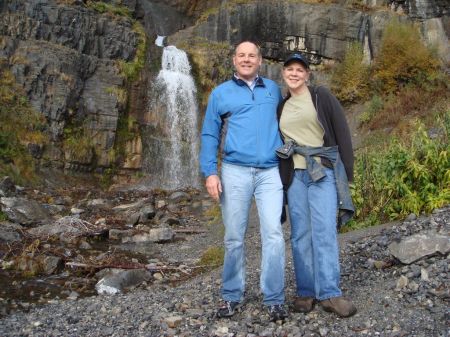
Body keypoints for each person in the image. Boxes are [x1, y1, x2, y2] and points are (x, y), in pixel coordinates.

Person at [199, 41, 288, 322]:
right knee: (234, 237)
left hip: (270, 172)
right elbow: (210, 134)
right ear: (234, 60)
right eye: (241, 55)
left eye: (252, 55)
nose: (246, 59)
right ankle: (231, 295)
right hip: (234, 171)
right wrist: (210, 172)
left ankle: (273, 298)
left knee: (273, 234)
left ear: (260, 61)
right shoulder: (220, 93)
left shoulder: (273, 90)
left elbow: (290, 122)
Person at [277, 52, 357, 318]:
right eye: (290, 69)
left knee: (323, 231)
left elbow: (342, 133)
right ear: (283, 74)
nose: (295, 73)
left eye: (300, 69)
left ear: (307, 75)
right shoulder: (281, 105)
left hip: (321, 172)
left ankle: (330, 293)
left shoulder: (321, 97)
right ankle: (306, 291)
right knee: (300, 235)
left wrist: (347, 173)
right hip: (295, 176)